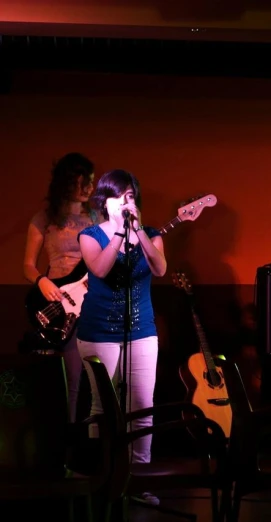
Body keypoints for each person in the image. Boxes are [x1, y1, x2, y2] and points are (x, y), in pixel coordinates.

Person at [76, 169, 167, 504]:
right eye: (119, 196)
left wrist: (138, 231)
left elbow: (160, 269)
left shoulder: (152, 234)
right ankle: (104, 477)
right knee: (104, 406)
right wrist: (117, 233)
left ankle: (138, 481)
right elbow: (99, 269)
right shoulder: (89, 236)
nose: (126, 201)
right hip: (98, 330)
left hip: (142, 331)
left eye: (131, 195)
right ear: (105, 201)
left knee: (143, 405)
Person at [23, 152, 98, 423]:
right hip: (59, 301)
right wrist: (41, 281)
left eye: (91, 181)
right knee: (73, 377)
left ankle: (96, 440)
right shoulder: (44, 218)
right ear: (67, 184)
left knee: (99, 376)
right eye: (83, 182)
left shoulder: (97, 217)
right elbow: (28, 265)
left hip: (94, 298)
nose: (90, 188)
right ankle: (70, 441)